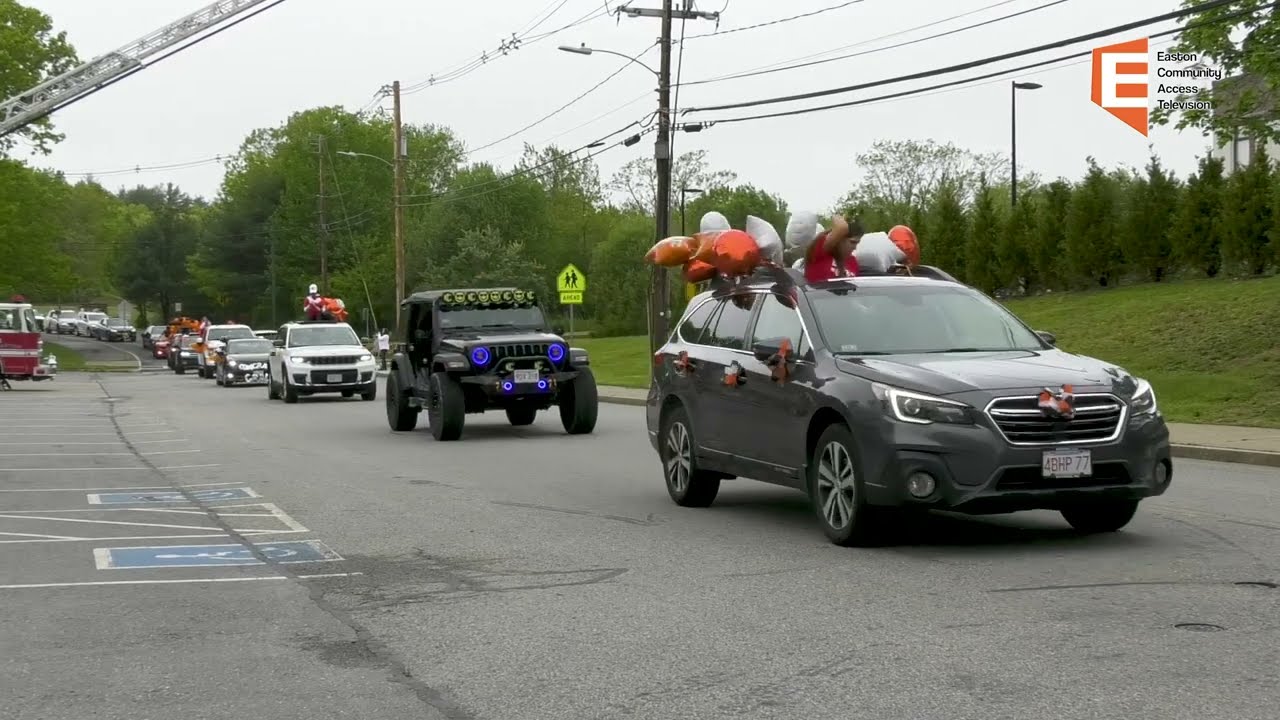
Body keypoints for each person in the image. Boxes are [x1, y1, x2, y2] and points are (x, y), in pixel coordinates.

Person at [802, 216, 862, 282]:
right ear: (839, 240)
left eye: (857, 243)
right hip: (819, 291)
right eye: (852, 242)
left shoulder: (852, 261)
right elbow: (842, 227)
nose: (855, 248)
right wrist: (837, 216)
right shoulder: (821, 252)